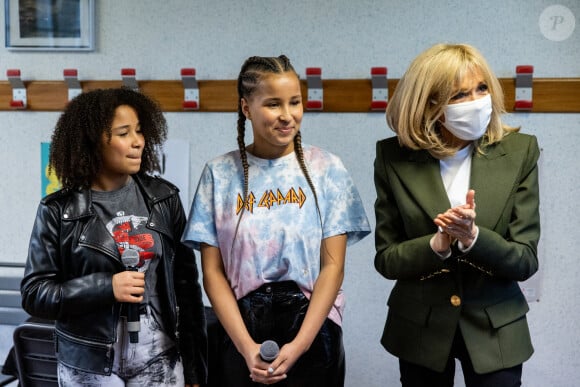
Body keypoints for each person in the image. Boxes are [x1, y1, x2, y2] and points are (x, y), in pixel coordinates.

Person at [182, 55, 370, 387]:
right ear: (246, 108)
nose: (287, 116)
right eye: (273, 104)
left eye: (295, 102)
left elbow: (333, 267)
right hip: (240, 328)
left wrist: (301, 344)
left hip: (311, 326)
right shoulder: (219, 174)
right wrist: (245, 347)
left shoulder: (328, 169)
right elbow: (212, 273)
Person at [374, 43, 540, 387]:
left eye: (482, 88)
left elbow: (524, 261)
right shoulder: (393, 156)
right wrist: (437, 244)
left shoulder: (521, 152)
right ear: (430, 105)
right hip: (421, 327)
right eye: (461, 94)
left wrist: (472, 238)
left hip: (497, 326)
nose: (478, 100)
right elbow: (387, 259)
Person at [21, 88, 208, 387]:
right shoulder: (58, 210)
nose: (138, 141)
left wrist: (196, 368)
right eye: (124, 133)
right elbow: (35, 293)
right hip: (88, 361)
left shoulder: (164, 198)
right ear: (94, 142)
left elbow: (186, 289)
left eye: (139, 130)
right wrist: (104, 287)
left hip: (159, 355)